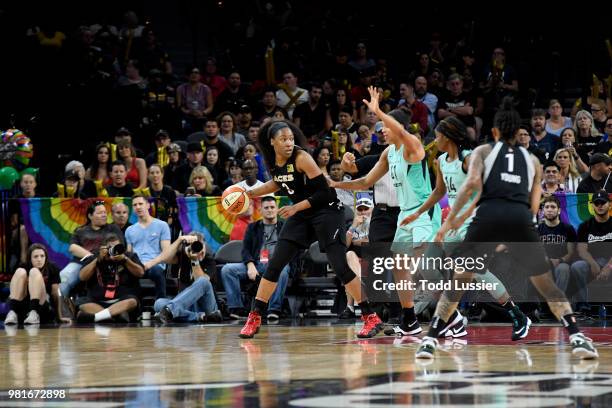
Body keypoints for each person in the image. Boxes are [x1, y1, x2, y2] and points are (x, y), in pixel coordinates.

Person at [416, 97, 598, 360]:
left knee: (459, 281)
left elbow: (470, 186)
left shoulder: (482, 152)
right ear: (517, 133)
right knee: (547, 285)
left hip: (487, 218)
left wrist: (451, 221)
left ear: (495, 132)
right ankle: (577, 337)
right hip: (519, 219)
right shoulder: (532, 160)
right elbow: (535, 201)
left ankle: (430, 341)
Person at [237, 120, 383, 338]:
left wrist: (296, 206)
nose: (288, 143)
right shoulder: (273, 160)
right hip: (303, 213)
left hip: (327, 211)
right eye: (283, 139)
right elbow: (278, 183)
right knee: (275, 263)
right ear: (272, 142)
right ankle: (255, 315)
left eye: (291, 139)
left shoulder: (302, 157)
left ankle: (371, 317)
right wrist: (249, 194)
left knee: (340, 266)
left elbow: (324, 193)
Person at [402, 116, 529, 335]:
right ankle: (452, 316)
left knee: (478, 273)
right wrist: (418, 212)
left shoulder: (468, 159)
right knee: (427, 267)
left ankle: (517, 315)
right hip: (453, 226)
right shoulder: (441, 161)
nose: (435, 139)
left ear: (449, 136)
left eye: (438, 136)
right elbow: (439, 191)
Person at [331, 86, 439, 336]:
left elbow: (401, 130)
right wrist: (336, 183)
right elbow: (364, 182)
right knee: (393, 266)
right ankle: (407, 319)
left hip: (423, 214)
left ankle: (451, 315)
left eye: (385, 126)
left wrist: (378, 110)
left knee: (426, 268)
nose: (382, 131)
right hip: (401, 216)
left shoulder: (413, 147)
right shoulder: (389, 153)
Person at [221, 196, 290, 320]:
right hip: (257, 263)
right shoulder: (253, 227)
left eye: (272, 207)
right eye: (266, 208)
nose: (270, 210)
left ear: (277, 209)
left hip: (277, 264)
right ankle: (236, 308)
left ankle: (274, 309)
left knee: (283, 271)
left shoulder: (285, 227)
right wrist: (250, 265)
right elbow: (245, 249)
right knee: (228, 270)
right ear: (261, 210)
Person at [150, 233, 222, 323]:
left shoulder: (209, 260)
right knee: (159, 303)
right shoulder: (183, 257)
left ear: (204, 245)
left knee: (203, 281)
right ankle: (200, 317)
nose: (197, 249)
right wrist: (179, 240)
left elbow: (201, 282)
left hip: (206, 306)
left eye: (199, 245)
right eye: (194, 246)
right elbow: (165, 258)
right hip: (187, 306)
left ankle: (171, 311)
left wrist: (195, 261)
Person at [59, 201, 124, 299]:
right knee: (63, 276)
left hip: (108, 262)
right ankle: (62, 308)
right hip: (82, 262)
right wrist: (92, 257)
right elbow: (73, 248)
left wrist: (101, 257)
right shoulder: (80, 230)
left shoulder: (113, 228)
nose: (104, 215)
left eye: (105, 212)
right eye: (99, 213)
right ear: (90, 215)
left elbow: (120, 246)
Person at [75, 234, 144, 323]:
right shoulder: (94, 257)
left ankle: (96, 317)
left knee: (132, 301)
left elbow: (140, 273)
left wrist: (125, 259)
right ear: (102, 248)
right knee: (82, 302)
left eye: (117, 247)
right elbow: (82, 277)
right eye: (110, 248)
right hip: (97, 302)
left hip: (121, 301)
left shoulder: (129, 256)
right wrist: (97, 260)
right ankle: (115, 316)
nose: (114, 250)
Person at [4, 244, 69, 325]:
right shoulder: (23, 266)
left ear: (46, 257)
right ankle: (12, 312)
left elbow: (55, 294)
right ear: (30, 258)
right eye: (36, 257)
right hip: (22, 305)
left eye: (42, 256)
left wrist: (59, 316)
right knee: (20, 271)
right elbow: (13, 291)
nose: (39, 259)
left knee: (34, 271)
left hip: (41, 306)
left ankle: (34, 313)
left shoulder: (52, 268)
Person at [571, 190, 612, 313]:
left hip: (610, 262)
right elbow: (582, 250)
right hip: (593, 261)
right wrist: (593, 264)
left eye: (603, 202)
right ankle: (584, 306)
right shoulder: (585, 226)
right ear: (592, 205)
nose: (599, 205)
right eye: (597, 203)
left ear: (609, 204)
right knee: (577, 266)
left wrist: (608, 267)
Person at [125, 195, 171, 299]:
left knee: (157, 272)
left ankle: (161, 305)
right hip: (137, 265)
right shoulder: (129, 230)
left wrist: (148, 264)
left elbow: (166, 253)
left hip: (155, 265)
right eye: (135, 205)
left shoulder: (162, 225)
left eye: (140, 204)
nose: (138, 207)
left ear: (148, 205)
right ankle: (132, 307)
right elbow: (129, 253)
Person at [537, 196, 580, 306]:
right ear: (543, 211)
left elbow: (571, 252)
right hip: (544, 264)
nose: (550, 209)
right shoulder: (538, 229)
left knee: (563, 268)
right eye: (547, 207)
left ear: (559, 210)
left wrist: (559, 260)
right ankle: (537, 307)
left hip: (562, 263)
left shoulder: (568, 229)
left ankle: (557, 304)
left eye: (553, 207)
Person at [340, 197, 373, 319]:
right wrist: (353, 226)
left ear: (372, 210)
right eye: (360, 209)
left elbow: (372, 243)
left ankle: (350, 306)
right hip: (355, 261)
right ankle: (351, 305)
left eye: (366, 209)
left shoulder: (376, 223)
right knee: (349, 256)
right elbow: (346, 245)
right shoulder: (351, 225)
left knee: (352, 269)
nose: (363, 212)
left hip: (372, 259)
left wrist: (357, 241)